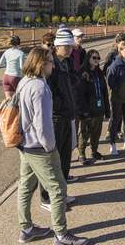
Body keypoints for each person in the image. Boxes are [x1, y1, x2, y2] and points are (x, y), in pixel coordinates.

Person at [15, 47, 88, 245]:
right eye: (50, 62)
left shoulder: (24, 82)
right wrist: (50, 147)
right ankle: (61, 235)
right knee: (58, 189)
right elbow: (43, 124)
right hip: (39, 147)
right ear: (41, 64)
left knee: (26, 187)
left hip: (24, 144)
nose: (53, 65)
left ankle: (27, 229)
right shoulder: (40, 87)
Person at [40, 28, 79, 210]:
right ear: (56, 47)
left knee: (64, 159)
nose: (70, 49)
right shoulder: (50, 65)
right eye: (66, 46)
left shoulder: (67, 62)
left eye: (71, 45)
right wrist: (63, 104)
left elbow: (70, 82)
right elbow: (49, 93)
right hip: (55, 119)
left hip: (67, 116)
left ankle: (61, 194)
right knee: (51, 162)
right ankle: (46, 198)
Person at [76, 49, 110, 164]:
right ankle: (81, 154)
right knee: (85, 132)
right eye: (94, 58)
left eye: (98, 58)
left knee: (96, 132)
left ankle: (94, 151)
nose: (96, 60)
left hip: (99, 109)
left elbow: (105, 92)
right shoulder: (83, 74)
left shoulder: (99, 73)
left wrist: (107, 109)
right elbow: (80, 95)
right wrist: (84, 111)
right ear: (88, 59)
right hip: (87, 111)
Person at [103, 32, 125, 140]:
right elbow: (105, 70)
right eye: (123, 43)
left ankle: (118, 130)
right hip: (114, 86)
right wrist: (110, 84)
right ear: (117, 44)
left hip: (124, 87)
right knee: (114, 110)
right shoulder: (112, 55)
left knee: (121, 110)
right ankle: (110, 130)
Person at [0, 35, 25, 102]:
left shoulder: (6, 52)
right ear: (19, 43)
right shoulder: (21, 53)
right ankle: (17, 112)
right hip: (15, 77)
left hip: (6, 76)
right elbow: (22, 67)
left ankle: (0, 111)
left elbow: (0, 63)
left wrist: (8, 65)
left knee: (8, 99)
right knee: (20, 98)